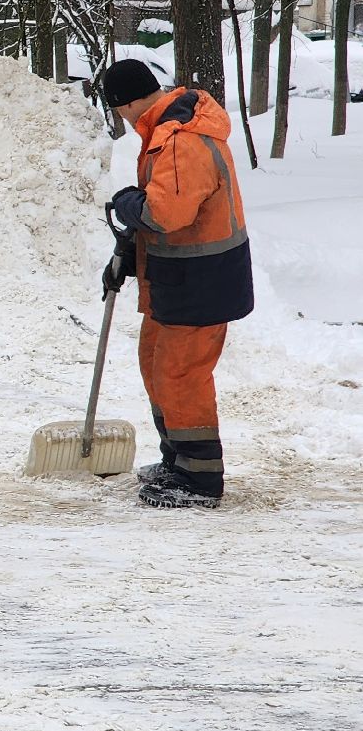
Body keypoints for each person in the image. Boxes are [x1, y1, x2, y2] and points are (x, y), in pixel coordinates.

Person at [99, 59, 253, 509]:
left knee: (180, 375)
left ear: (126, 103)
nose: (122, 120)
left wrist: (130, 203)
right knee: (154, 364)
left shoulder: (181, 141)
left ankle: (200, 479)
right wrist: (127, 254)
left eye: (118, 110)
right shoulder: (163, 133)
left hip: (201, 281)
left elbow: (165, 214)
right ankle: (178, 458)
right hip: (176, 278)